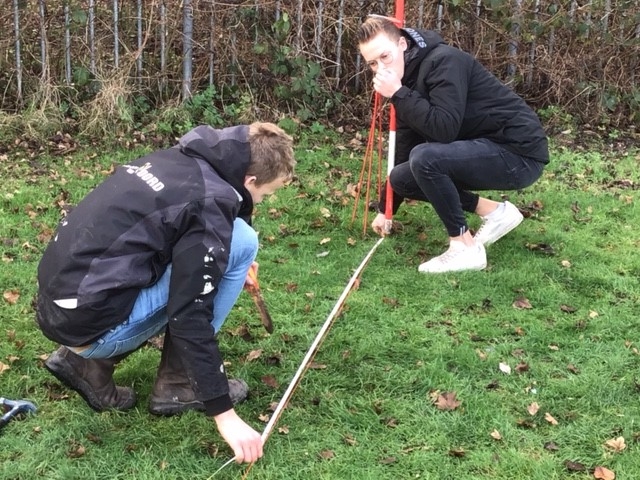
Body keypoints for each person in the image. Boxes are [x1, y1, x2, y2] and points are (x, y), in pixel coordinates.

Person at [35, 122, 296, 464]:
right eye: (267, 193)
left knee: (232, 241)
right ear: (249, 180)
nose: (263, 200)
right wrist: (224, 414)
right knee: (243, 242)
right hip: (87, 321)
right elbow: (190, 313)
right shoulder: (210, 199)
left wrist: (218, 254)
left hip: (58, 304)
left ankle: (85, 364)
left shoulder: (181, 159)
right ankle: (178, 384)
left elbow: (189, 224)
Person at [358, 16, 549, 273]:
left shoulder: (445, 61)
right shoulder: (406, 81)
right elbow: (405, 142)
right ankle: (496, 213)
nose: (381, 68)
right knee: (401, 178)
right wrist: (386, 208)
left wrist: (399, 94)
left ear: (402, 44)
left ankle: (464, 247)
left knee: (425, 158)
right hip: (485, 147)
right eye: (373, 63)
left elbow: (444, 130)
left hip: (519, 154)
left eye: (385, 57)